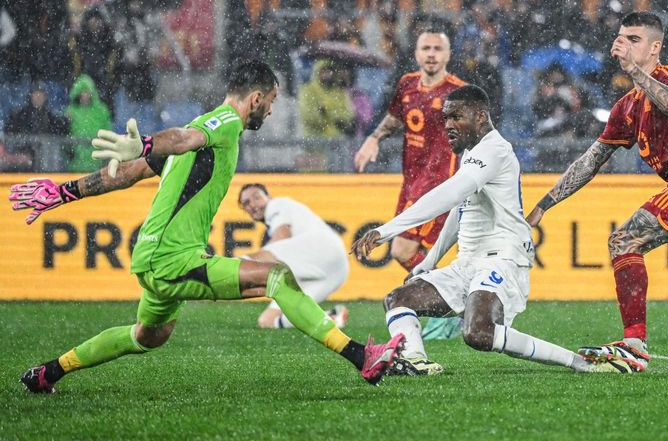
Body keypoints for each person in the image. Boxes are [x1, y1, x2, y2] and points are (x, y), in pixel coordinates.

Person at [9, 60, 404, 393]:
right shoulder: (224, 123)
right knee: (277, 278)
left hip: (153, 258)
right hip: (171, 259)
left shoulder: (198, 135)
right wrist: (147, 143)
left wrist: (63, 192)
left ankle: (49, 372)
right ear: (255, 98)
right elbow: (183, 138)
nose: (269, 112)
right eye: (270, 103)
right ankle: (361, 356)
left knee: (148, 336)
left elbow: (124, 174)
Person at [352, 84, 633, 375]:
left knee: (478, 333)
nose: (448, 125)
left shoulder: (495, 150)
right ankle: (416, 361)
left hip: (503, 259)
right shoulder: (471, 154)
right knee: (397, 300)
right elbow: (459, 208)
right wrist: (430, 260)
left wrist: (387, 230)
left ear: (481, 117)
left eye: (457, 117)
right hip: (468, 262)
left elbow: (448, 194)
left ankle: (579, 362)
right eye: (446, 118)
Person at [526, 12, 668, 372]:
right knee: (625, 242)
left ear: (656, 48)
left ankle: (634, 345)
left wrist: (637, 72)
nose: (624, 44)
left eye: (634, 39)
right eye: (622, 37)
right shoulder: (627, 108)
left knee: (625, 240)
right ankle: (634, 344)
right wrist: (546, 204)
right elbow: (591, 160)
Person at [353, 26, 466, 340]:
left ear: (448, 55)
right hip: (411, 182)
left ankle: (451, 307)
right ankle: (453, 306)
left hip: (442, 184)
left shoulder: (458, 92)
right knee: (411, 253)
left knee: (403, 249)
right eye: (426, 48)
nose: (431, 54)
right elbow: (395, 118)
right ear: (417, 53)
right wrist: (373, 138)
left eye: (437, 49)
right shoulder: (406, 84)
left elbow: (477, 134)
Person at [238, 183, 349, 329]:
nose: (252, 204)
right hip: (337, 271)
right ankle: (332, 317)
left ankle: (215, 272)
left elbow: (282, 235)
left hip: (322, 248)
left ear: (269, 197)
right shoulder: (284, 212)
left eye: (256, 197)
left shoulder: (276, 204)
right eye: (246, 203)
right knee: (267, 321)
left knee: (257, 261)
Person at [65, 74, 112, 172]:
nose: (85, 95)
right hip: (76, 162)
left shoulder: (101, 111)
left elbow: (107, 132)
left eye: (87, 91)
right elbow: (65, 135)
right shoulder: (70, 111)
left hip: (96, 161)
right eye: (82, 91)